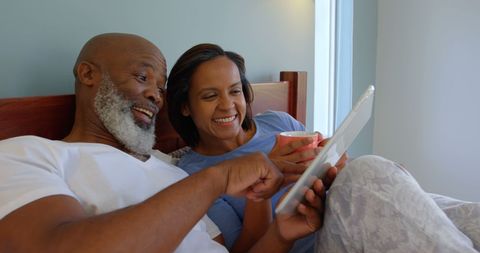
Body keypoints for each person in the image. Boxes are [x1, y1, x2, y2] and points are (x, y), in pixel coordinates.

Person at [0, 33, 331, 253]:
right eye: (143, 77)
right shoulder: (25, 153)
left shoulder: (171, 169)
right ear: (88, 74)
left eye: (160, 87)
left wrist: (283, 233)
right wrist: (218, 178)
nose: (154, 96)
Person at [166, 43, 480, 252]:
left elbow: (332, 170)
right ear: (184, 107)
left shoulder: (277, 122)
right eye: (209, 96)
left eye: (234, 91)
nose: (227, 106)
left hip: (352, 206)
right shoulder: (193, 175)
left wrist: (336, 162)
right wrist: (260, 181)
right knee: (369, 172)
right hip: (318, 240)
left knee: (461, 214)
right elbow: (246, 250)